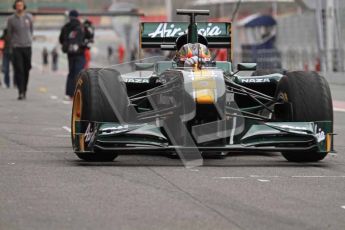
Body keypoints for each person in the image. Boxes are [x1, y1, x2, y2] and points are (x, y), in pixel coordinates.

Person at [7, 0, 33, 99]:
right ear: (15, 6)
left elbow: (31, 31)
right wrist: (11, 47)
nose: (19, 7)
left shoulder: (29, 17)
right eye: (17, 5)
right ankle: (20, 91)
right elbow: (9, 34)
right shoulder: (11, 19)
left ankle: (25, 88)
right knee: (19, 69)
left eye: (21, 5)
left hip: (27, 46)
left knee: (27, 69)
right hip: (16, 47)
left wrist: (29, 41)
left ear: (24, 6)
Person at [59, 9, 85, 100]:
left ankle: (70, 94)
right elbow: (86, 38)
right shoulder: (81, 26)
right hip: (80, 52)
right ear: (77, 16)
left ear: (69, 17)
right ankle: (78, 93)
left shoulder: (65, 27)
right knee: (79, 73)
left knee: (71, 72)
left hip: (70, 53)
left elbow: (61, 39)